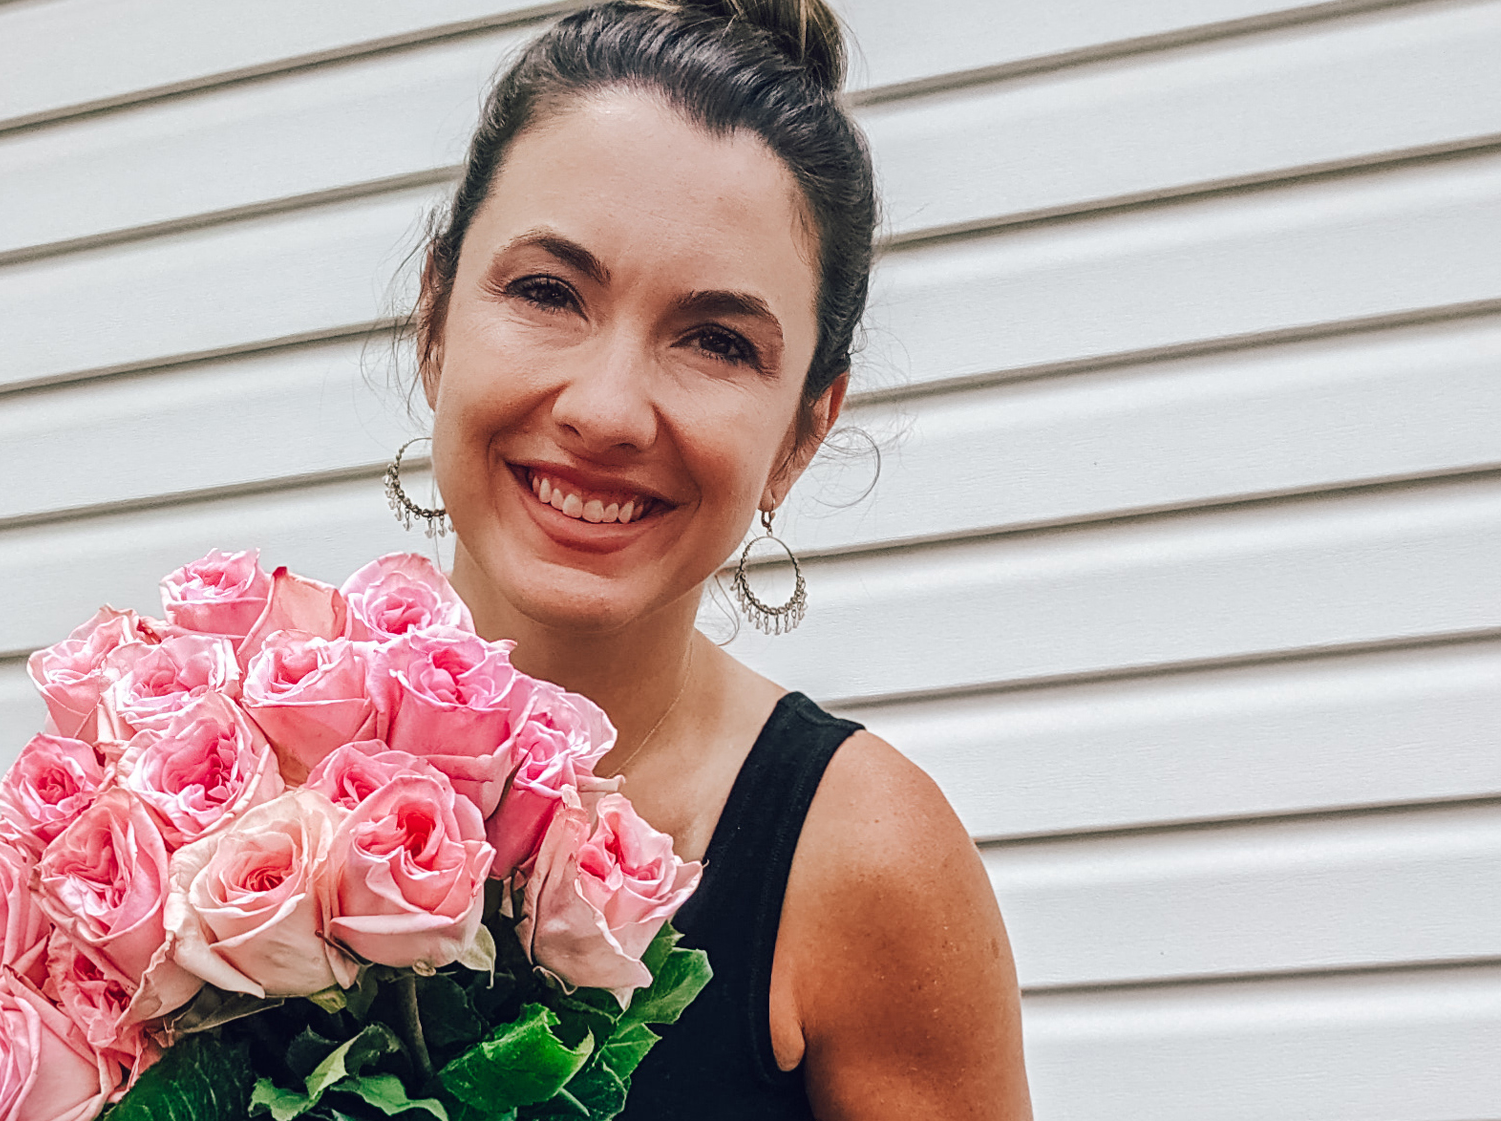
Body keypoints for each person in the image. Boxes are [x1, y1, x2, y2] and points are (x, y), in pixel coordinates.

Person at [387, 1, 1034, 1116]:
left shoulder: (861, 861)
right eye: (547, 291)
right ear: (436, 315)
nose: (605, 409)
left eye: (716, 341)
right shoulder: (207, 786)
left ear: (801, 432)